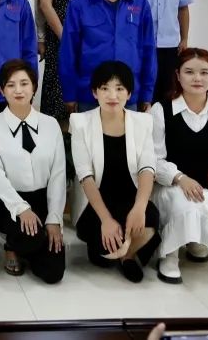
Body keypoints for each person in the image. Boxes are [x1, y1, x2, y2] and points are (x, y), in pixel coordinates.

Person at [151, 48, 208, 285]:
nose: (197, 78)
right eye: (189, 72)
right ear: (177, 75)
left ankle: (194, 239)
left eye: (204, 72)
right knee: (183, 203)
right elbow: (153, 160)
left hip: (207, 188)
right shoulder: (161, 110)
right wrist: (180, 178)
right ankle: (169, 254)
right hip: (169, 186)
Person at [70, 61, 161, 282]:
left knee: (150, 215)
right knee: (102, 257)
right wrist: (106, 220)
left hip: (129, 200)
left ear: (129, 94)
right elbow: (85, 176)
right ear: (95, 92)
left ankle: (126, 255)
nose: (112, 95)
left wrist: (139, 207)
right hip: (96, 204)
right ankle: (129, 248)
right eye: (105, 88)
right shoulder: (80, 122)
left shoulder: (143, 122)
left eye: (120, 88)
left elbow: (147, 168)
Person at [0, 59, 66, 284]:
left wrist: (54, 218)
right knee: (31, 236)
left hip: (42, 198)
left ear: (34, 87)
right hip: (5, 201)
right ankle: (12, 246)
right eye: (10, 85)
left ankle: (31, 245)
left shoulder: (51, 124)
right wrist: (21, 209)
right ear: (2, 90)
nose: (18, 90)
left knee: (53, 273)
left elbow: (58, 174)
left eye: (24, 83)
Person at [60, 0, 157, 113]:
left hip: (129, 92)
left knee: (129, 132)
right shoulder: (78, 3)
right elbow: (69, 51)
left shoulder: (139, 1)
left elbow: (148, 49)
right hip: (90, 92)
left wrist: (147, 93)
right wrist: (69, 93)